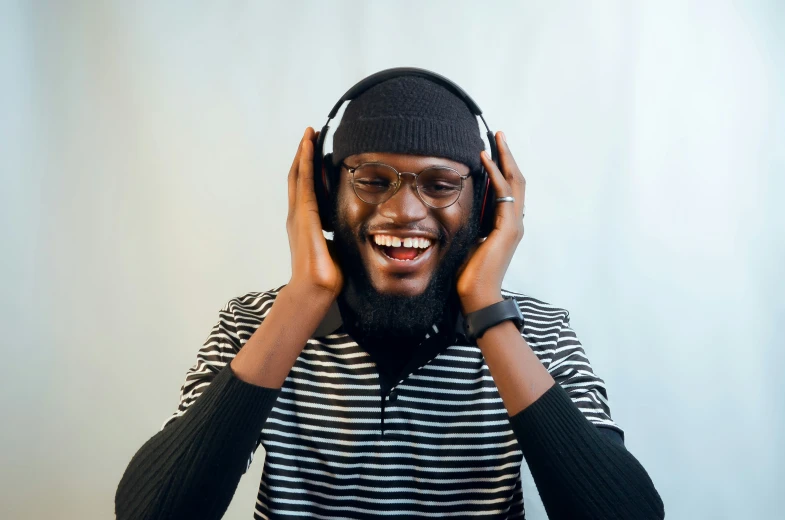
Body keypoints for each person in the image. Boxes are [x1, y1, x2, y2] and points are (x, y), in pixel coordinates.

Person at [115, 72, 664, 519]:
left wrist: (488, 312)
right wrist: (304, 298)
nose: (404, 211)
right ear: (325, 193)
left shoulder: (534, 332)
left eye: (441, 184)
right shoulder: (257, 324)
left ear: (486, 206)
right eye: (373, 180)